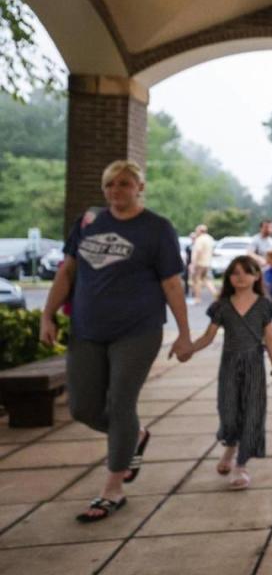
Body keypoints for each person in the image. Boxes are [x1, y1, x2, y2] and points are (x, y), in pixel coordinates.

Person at [39, 160, 192, 523]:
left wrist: (185, 334)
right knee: (84, 408)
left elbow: (171, 283)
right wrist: (47, 315)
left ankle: (113, 488)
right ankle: (134, 436)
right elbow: (68, 271)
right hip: (87, 328)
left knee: (121, 402)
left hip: (137, 329)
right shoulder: (89, 223)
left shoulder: (156, 228)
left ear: (140, 187)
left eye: (124, 184)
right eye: (110, 185)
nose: (115, 191)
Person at [188, 255, 272, 489]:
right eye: (235, 272)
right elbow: (208, 337)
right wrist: (188, 349)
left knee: (252, 414)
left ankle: (241, 466)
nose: (240, 277)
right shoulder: (221, 306)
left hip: (254, 365)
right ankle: (230, 447)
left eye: (246, 272)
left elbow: (270, 338)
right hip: (229, 365)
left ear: (256, 276)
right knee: (228, 411)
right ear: (228, 277)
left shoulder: (264, 305)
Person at [189, 224, 217, 304]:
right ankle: (216, 295)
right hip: (207, 262)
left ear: (200, 231)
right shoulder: (210, 239)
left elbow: (198, 251)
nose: (196, 232)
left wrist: (193, 264)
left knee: (197, 280)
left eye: (196, 230)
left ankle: (197, 298)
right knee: (206, 279)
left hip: (199, 263)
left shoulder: (200, 239)